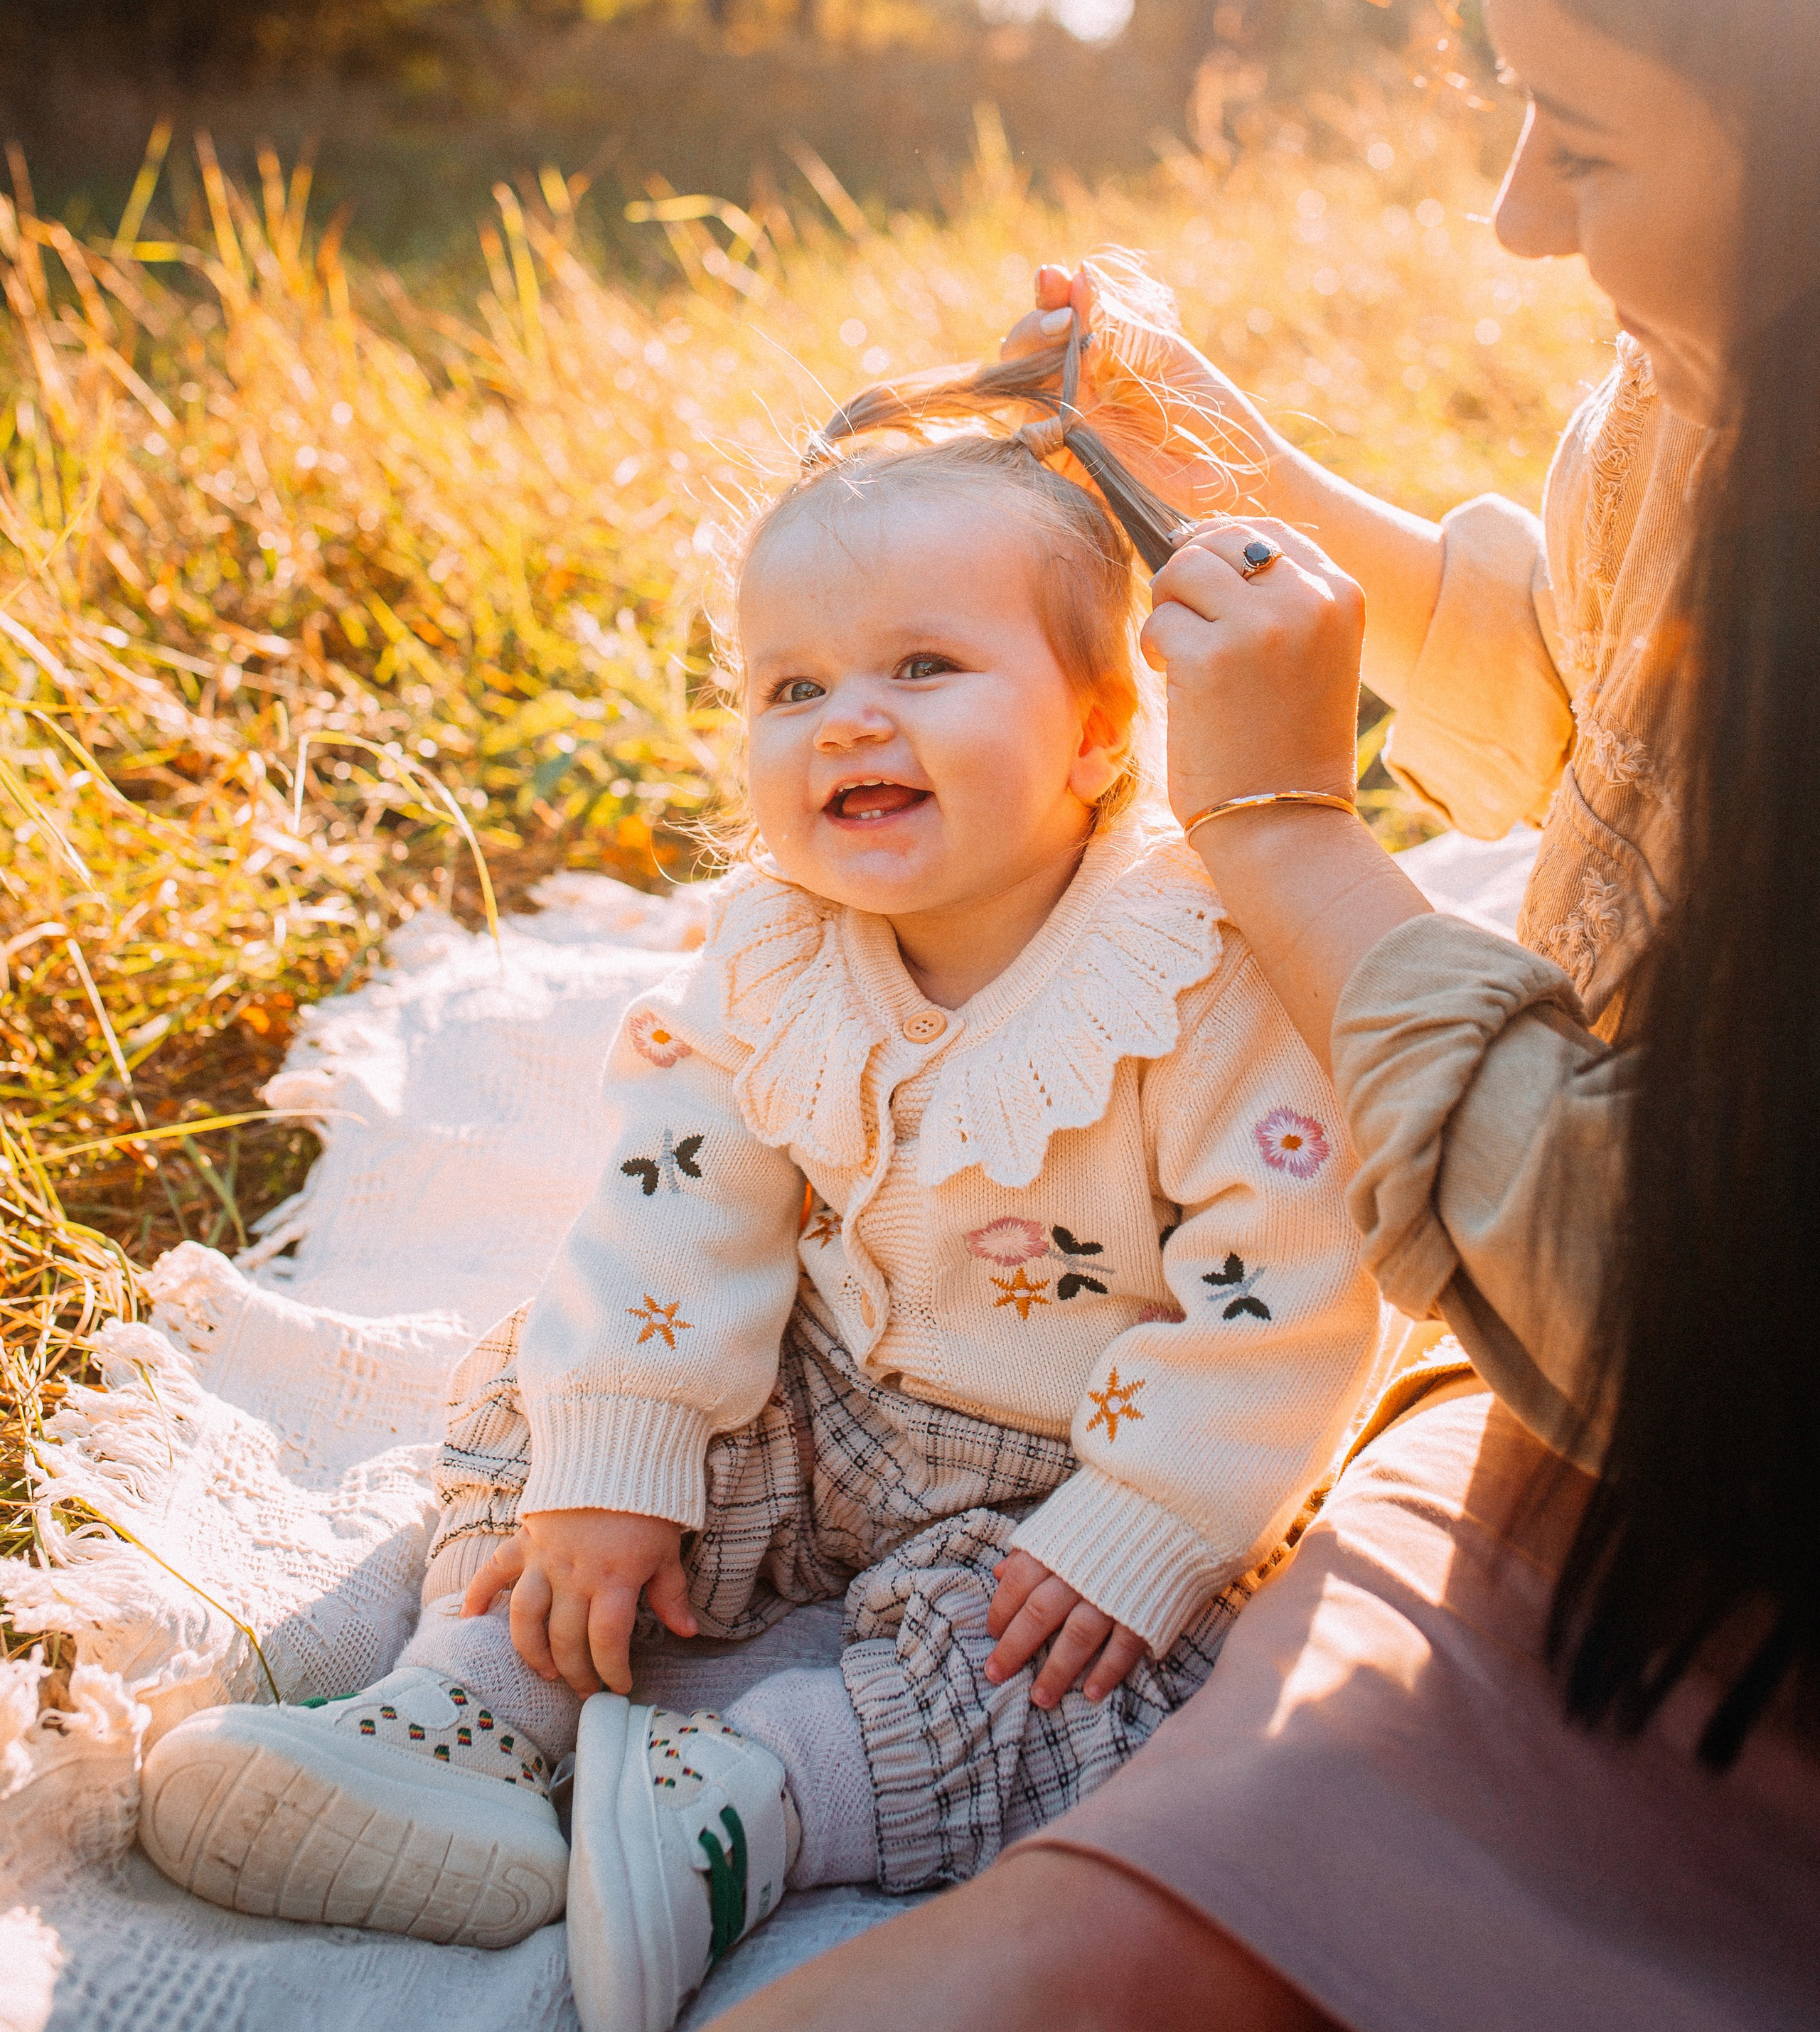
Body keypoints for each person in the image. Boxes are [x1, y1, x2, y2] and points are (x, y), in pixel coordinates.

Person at [700, 0, 1820, 2029]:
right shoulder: (1704, 389)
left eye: (1589, 142)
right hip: (1592, 1439)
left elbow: (1679, 1307)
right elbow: (1592, 716)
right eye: (1509, 104)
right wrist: (1233, 472)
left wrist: (1291, 837)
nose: (1516, 221)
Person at [134, 360, 1388, 2032]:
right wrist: (622, 1454)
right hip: (818, 1394)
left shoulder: (1194, 967)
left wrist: (1148, 1518)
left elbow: (1287, 1274)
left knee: (1106, 1675)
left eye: (922, 667)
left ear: (1098, 733)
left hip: (1064, 1470)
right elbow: (670, 1209)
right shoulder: (769, 954)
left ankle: (750, 1795)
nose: (846, 719)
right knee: (557, 1383)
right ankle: (469, 1702)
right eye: (790, 686)